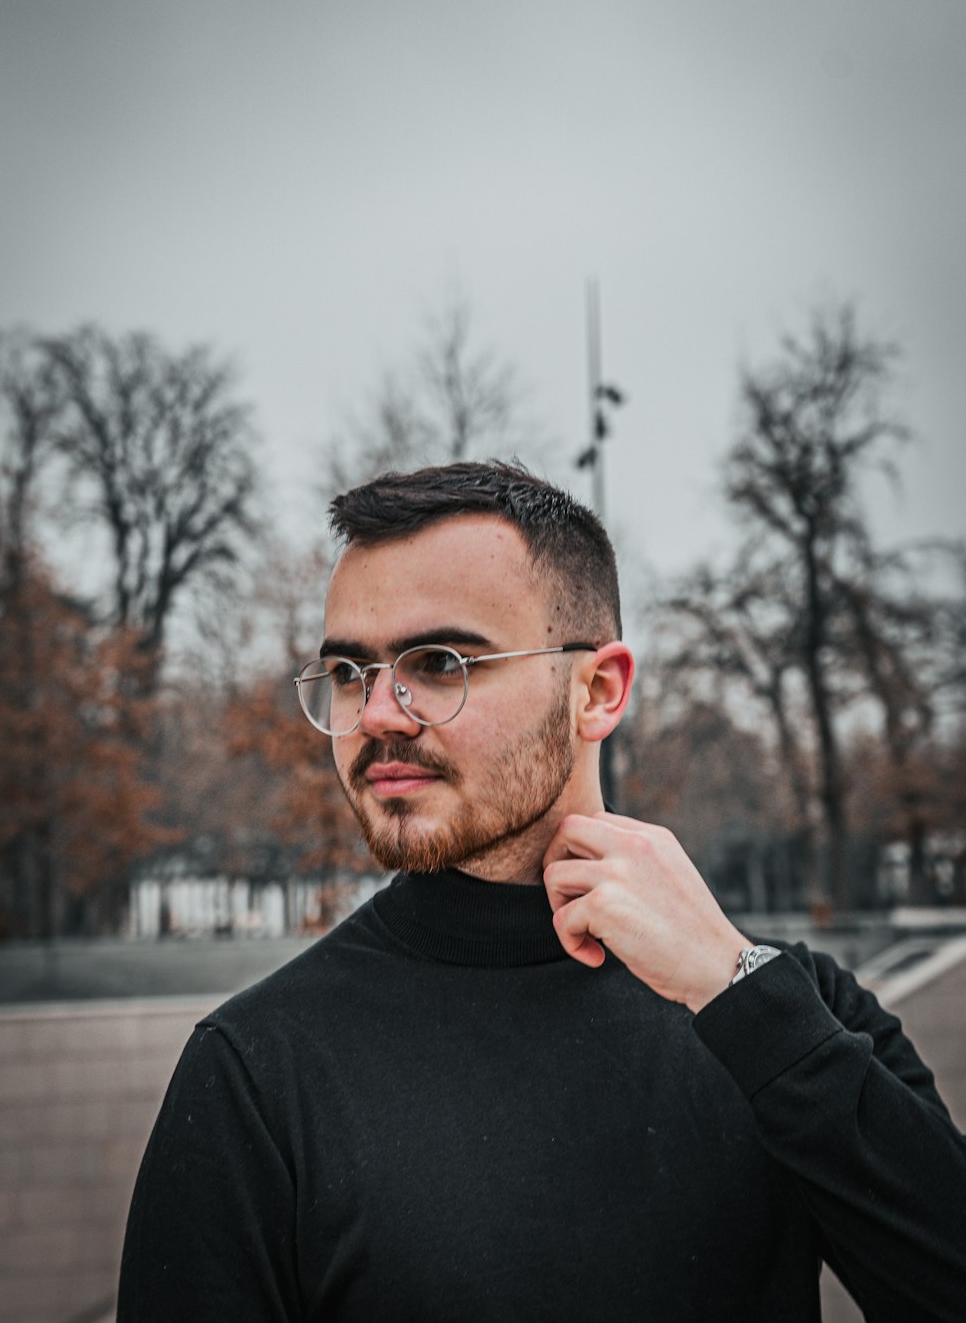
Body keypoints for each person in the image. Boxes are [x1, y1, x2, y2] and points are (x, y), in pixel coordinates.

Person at [118, 461, 966, 1322]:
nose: (377, 713)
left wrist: (735, 986)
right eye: (348, 672)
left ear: (597, 690)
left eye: (439, 662)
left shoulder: (792, 1015)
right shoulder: (255, 1073)